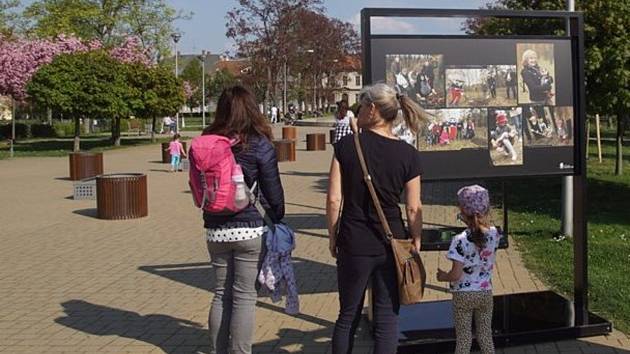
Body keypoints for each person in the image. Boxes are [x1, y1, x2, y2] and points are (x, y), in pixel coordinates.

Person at [326, 83, 425, 354]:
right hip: (391, 243)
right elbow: (414, 207)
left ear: (372, 109)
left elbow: (334, 199)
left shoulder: (345, 146)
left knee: (348, 316)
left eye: (361, 105)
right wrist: (415, 238)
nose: (357, 111)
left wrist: (333, 236)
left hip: (353, 241)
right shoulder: (408, 154)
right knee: (386, 318)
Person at [202, 85, 285, 354]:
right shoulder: (260, 143)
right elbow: (273, 192)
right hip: (249, 228)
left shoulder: (207, 140)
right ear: (252, 108)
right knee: (245, 296)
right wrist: (277, 217)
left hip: (215, 227)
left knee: (220, 293)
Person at [437, 185, 499, 354]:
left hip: (463, 295)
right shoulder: (494, 234)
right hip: (486, 293)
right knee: (485, 335)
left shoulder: (459, 240)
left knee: (464, 338)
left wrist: (443, 276)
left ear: (463, 212)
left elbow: (456, 274)